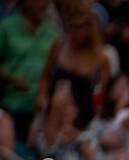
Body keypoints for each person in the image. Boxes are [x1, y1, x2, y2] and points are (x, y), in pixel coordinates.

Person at [37, 2, 111, 130]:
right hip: (53, 111)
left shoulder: (101, 59)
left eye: (78, 28)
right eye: (71, 27)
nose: (74, 33)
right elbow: (45, 76)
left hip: (81, 117)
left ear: (88, 28)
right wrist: (42, 95)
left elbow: (101, 93)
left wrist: (96, 110)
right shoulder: (59, 46)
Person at [0, 0, 59, 142]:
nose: (44, 4)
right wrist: (11, 78)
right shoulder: (6, 28)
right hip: (9, 104)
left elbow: (53, 70)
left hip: (38, 110)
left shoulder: (53, 32)